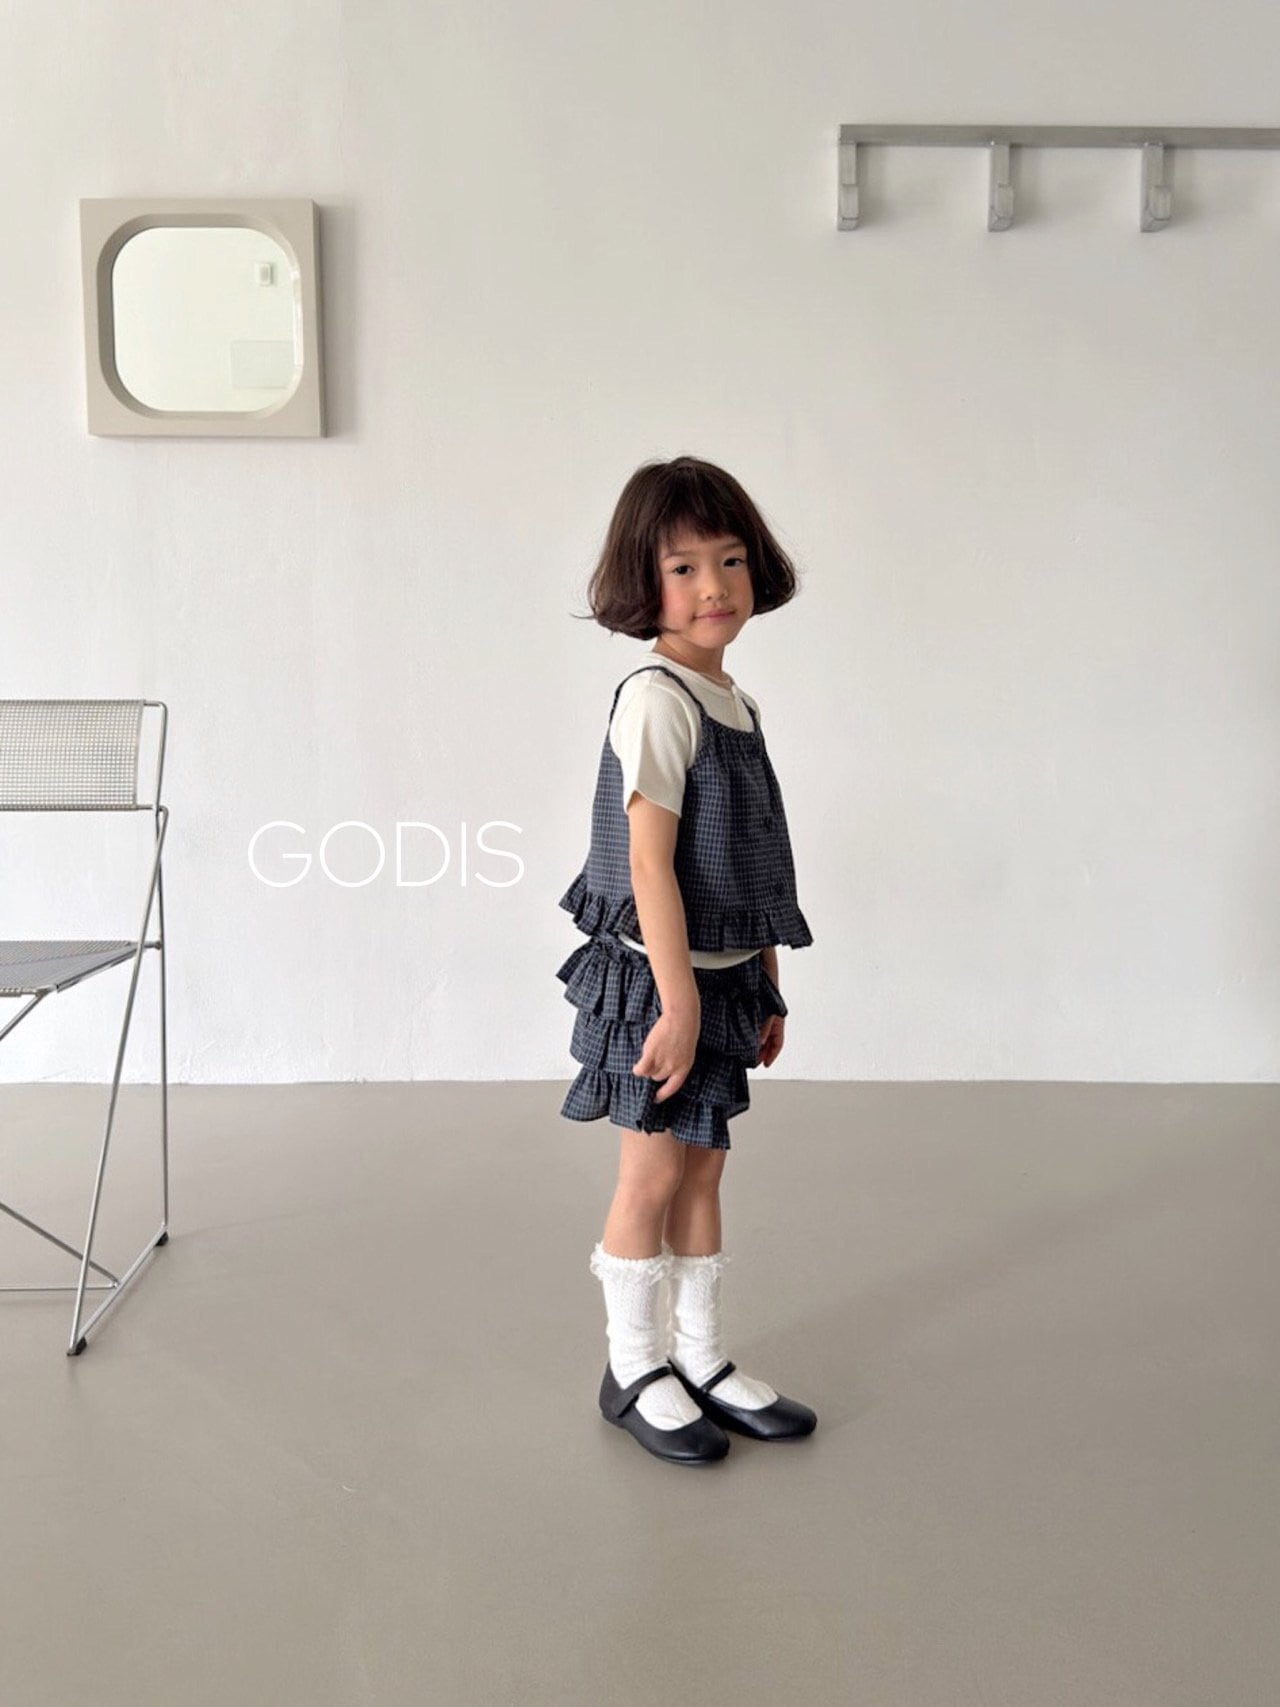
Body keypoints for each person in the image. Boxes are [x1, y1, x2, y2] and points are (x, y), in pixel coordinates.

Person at [556, 454, 819, 1466]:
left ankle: (699, 1358)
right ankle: (631, 1368)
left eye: (730, 559)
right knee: (653, 1170)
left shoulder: (732, 701)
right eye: (681, 568)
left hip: (722, 975)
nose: (713, 586)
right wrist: (675, 1004)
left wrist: (766, 980)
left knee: (704, 1167)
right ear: (643, 580)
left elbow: (750, 859)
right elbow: (648, 864)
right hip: (657, 983)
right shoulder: (658, 699)